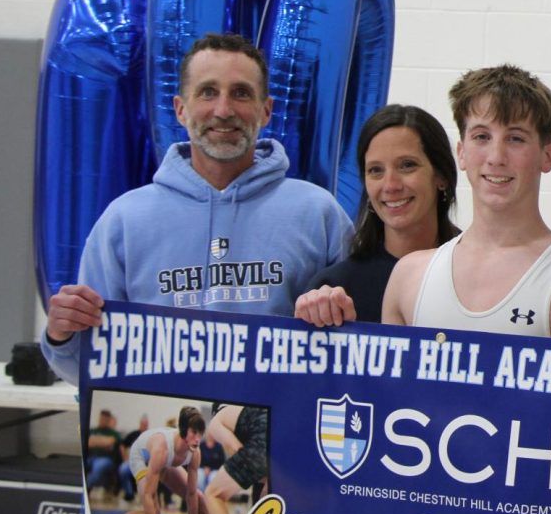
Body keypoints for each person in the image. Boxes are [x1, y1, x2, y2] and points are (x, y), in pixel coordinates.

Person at [41, 32, 354, 384]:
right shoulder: (123, 222)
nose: (223, 110)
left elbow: (363, 350)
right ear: (180, 109)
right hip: (162, 430)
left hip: (281, 432)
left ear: (266, 111)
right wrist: (62, 334)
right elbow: (86, 367)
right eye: (208, 92)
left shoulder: (318, 214)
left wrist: (340, 311)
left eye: (241, 93)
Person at [382, 65, 551, 351]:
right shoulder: (409, 277)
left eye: (515, 138)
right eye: (482, 137)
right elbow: (388, 393)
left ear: (548, 156)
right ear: (461, 153)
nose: (496, 157)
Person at [296, 105, 460, 325]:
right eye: (375, 170)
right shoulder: (336, 289)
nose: (390, 185)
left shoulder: (477, 272)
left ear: (441, 177)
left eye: (407, 165)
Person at [117, 406, 219, 514]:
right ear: (184, 430)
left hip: (164, 462)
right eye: (194, 433)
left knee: (200, 498)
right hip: (141, 459)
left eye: (200, 434)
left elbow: (191, 495)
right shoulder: (162, 448)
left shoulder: (195, 452)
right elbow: (149, 496)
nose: (198, 439)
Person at [203, 403, 269, 514]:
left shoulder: (217, 420)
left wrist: (252, 474)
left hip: (262, 442)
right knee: (266, 494)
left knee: (212, 494)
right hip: (282, 435)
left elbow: (235, 448)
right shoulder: (246, 411)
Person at [86, 408, 121, 496]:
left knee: (98, 467)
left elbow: (109, 442)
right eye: (102, 418)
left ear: (108, 420)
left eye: (105, 419)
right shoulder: (91, 431)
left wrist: (95, 441)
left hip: (106, 459)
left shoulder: (114, 433)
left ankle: (85, 488)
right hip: (90, 457)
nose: (103, 421)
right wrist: (103, 442)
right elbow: (89, 443)